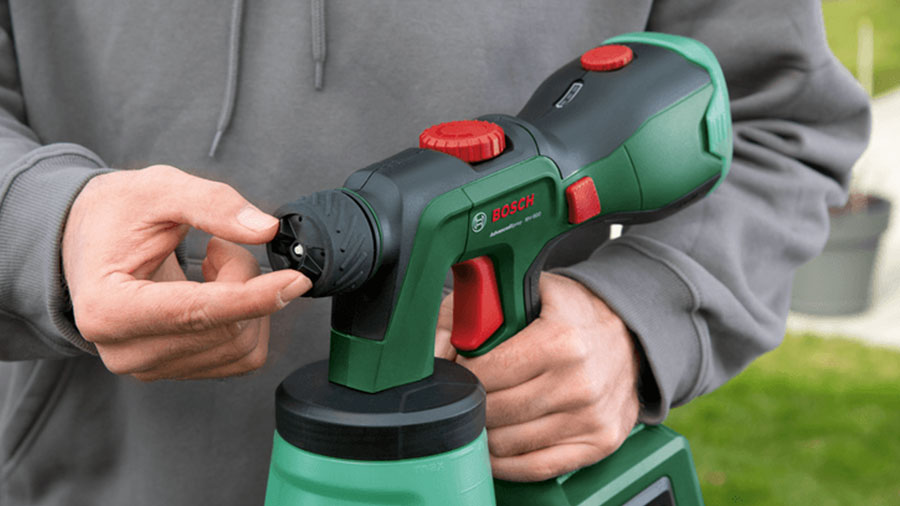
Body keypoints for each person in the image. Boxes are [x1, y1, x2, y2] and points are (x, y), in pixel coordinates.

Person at [0, 1, 869, 504]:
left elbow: (774, 125)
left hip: (497, 476)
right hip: (96, 479)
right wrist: (48, 227)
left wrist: (636, 319)